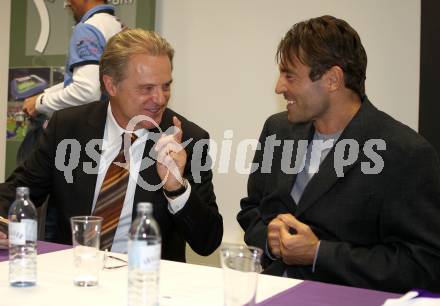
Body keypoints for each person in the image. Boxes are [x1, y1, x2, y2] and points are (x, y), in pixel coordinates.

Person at [237, 15, 440, 293]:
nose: (279, 87)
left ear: (332, 79)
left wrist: (319, 253)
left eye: (289, 75)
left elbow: (423, 265)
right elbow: (252, 210)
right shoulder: (277, 130)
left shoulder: (405, 153)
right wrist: (272, 242)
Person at [0, 28, 223, 262]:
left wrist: (176, 188)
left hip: (144, 283)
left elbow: (207, 242)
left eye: (166, 86)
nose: (160, 98)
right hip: (73, 274)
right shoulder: (67, 128)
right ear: (111, 85)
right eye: (146, 88)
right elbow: (18, 191)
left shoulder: (188, 140)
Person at [19, 0, 123, 241]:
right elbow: (83, 83)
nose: (67, 4)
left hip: (77, 140)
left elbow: (86, 90)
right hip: (106, 138)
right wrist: (42, 98)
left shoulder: (88, 29)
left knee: (57, 225)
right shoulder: (117, 27)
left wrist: (41, 104)